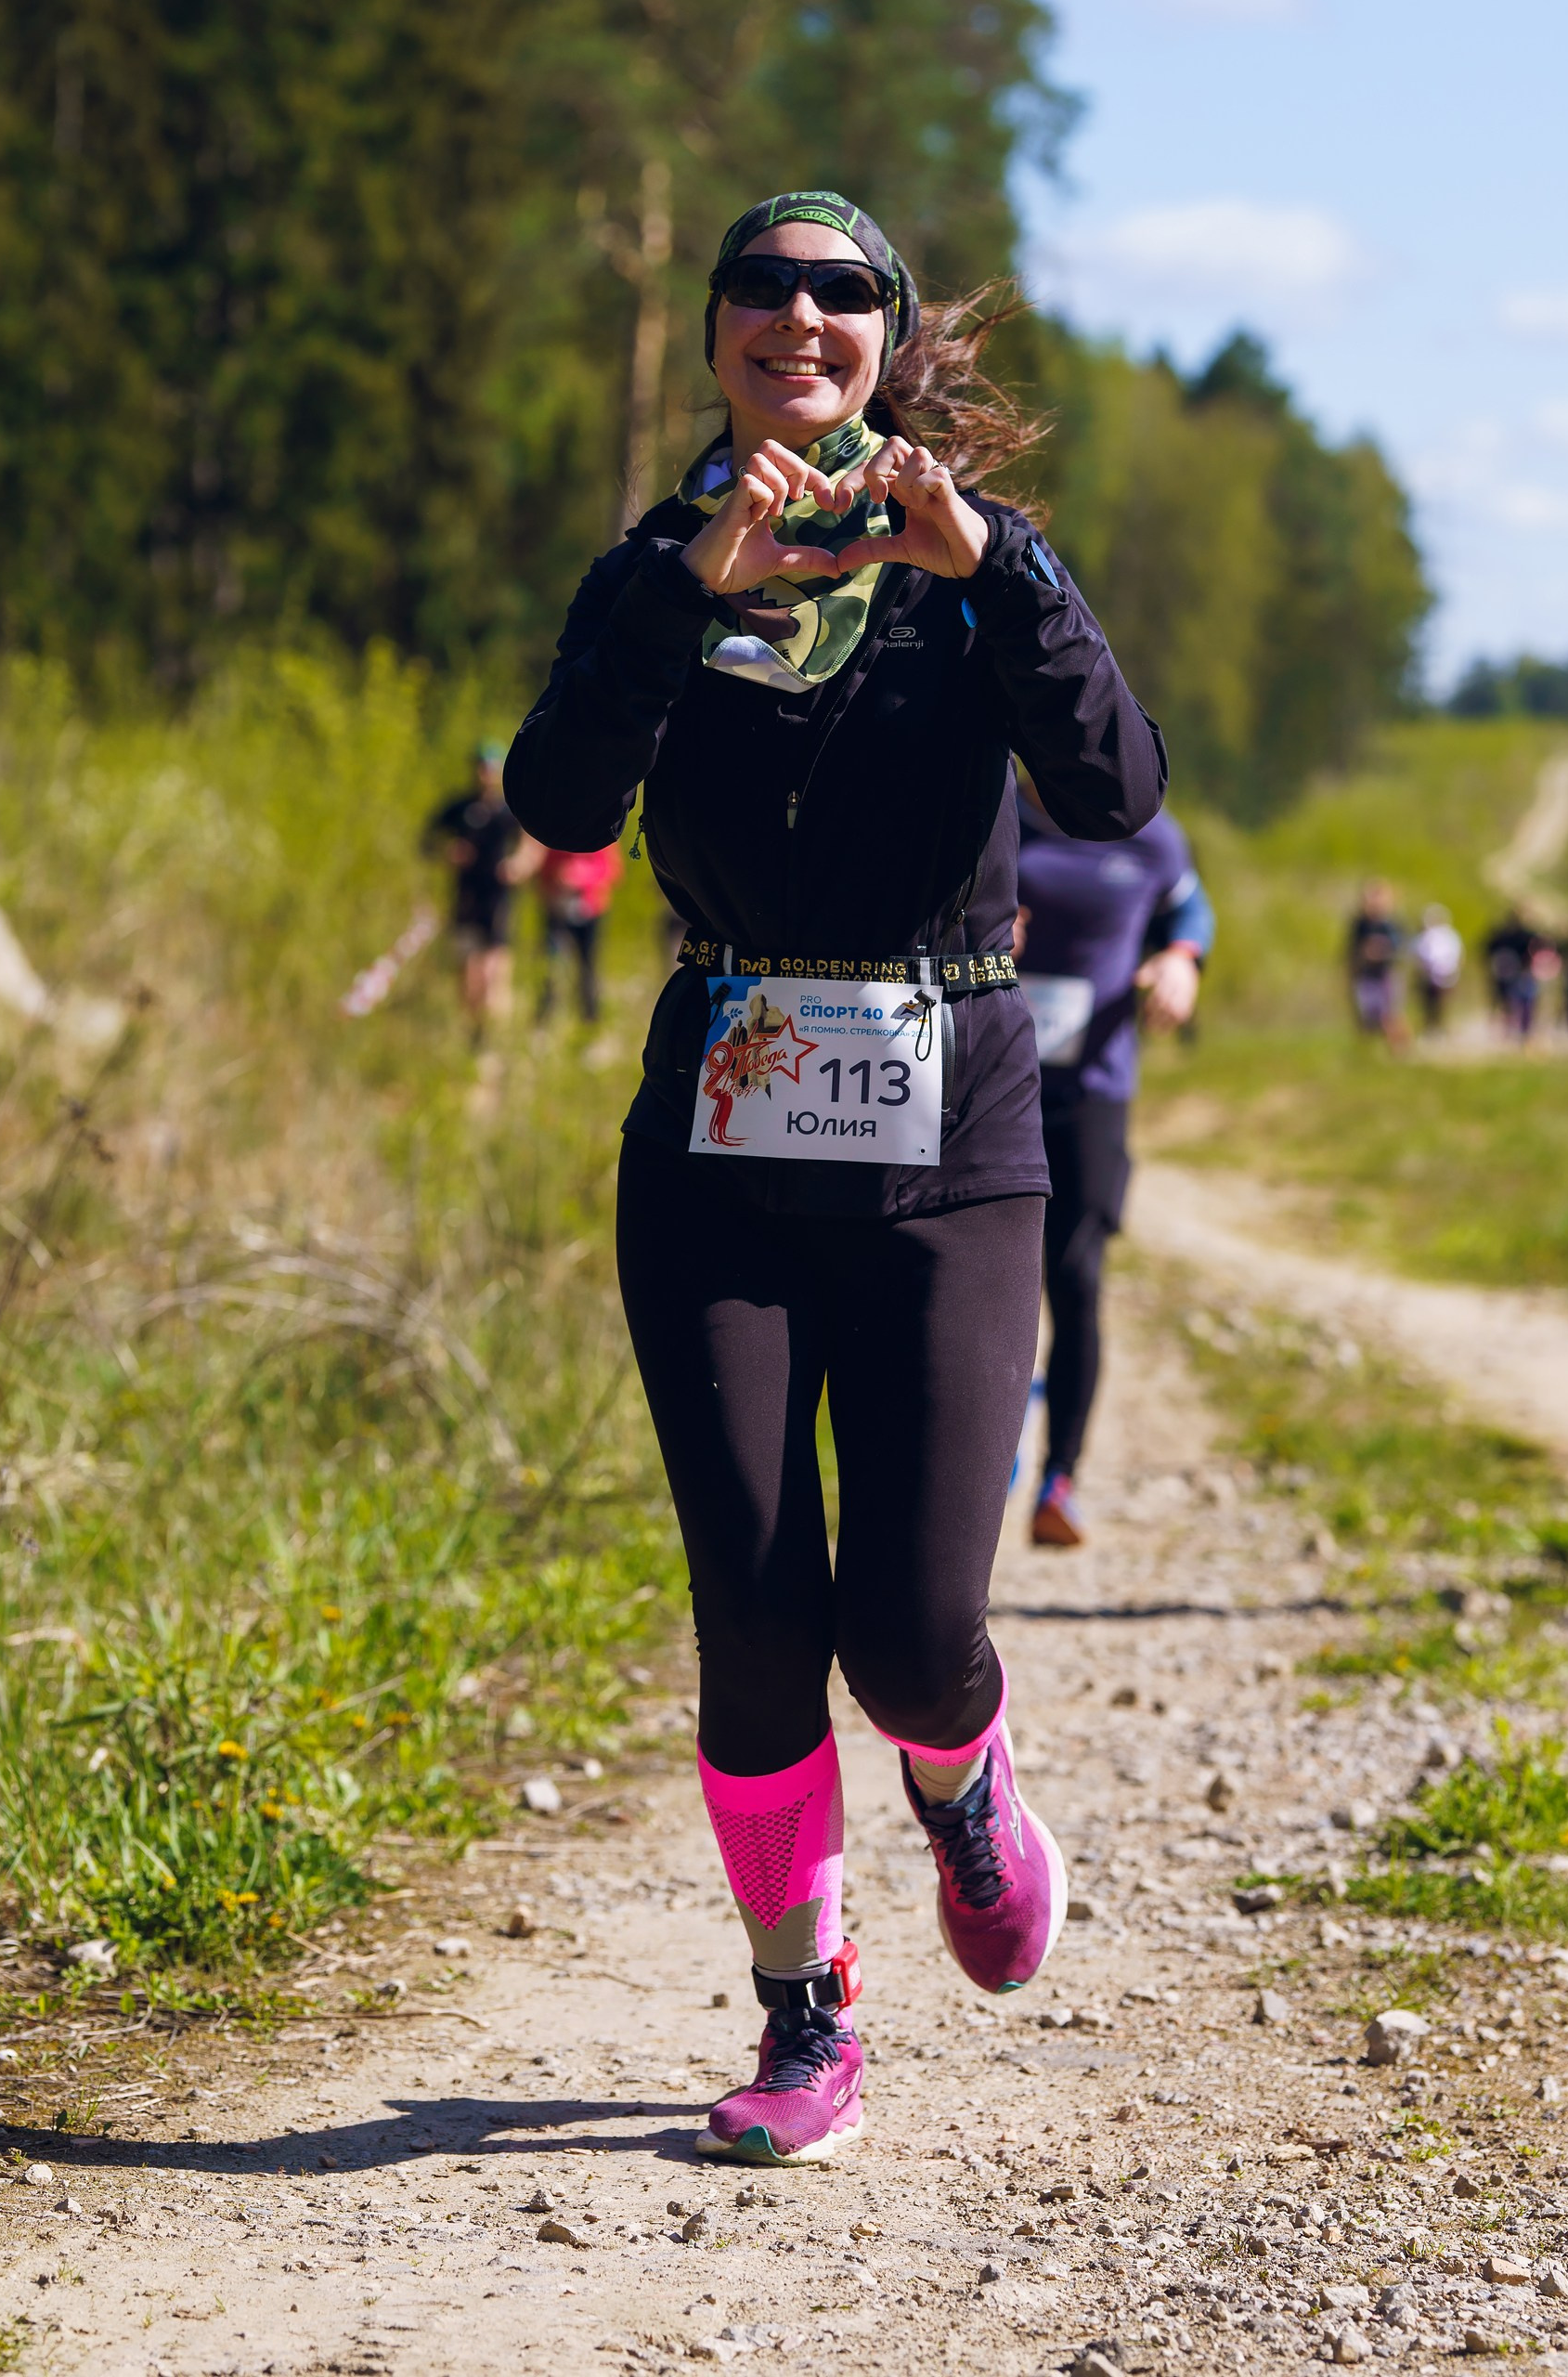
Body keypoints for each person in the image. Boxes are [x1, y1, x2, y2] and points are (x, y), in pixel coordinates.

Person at [504, 188, 1163, 2166]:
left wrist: (1006, 566)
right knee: (755, 1616)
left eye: (840, 290)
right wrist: (674, 602)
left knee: (903, 1628)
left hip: (951, 1142)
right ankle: (805, 2015)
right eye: (763, 289)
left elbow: (1115, 790)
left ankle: (965, 1789)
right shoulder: (662, 563)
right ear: (716, 332)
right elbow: (554, 803)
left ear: (887, 335)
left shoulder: (967, 571)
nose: (800, 316)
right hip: (711, 1141)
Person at [1013, 782, 1214, 1548]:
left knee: (1076, 1274)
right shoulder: (987, 799)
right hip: (981, 1081)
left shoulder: (1146, 828)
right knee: (976, 1277)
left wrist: (1182, 958)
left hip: (1091, 1088)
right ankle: (979, 1456)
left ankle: (1059, 1476)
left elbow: (1190, 906)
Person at [428, 744, 524, 1031]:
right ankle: (472, 1027)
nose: (485, 774)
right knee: (468, 966)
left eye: (491, 768)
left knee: (495, 965)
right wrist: (449, 851)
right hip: (466, 896)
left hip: (498, 897)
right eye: (482, 767)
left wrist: (518, 863)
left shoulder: (509, 810)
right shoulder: (460, 808)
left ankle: (494, 1030)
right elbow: (428, 841)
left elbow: (531, 843)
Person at [531, 841, 623, 1022]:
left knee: (588, 965)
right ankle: (547, 1013)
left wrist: (579, 876)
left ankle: (589, 1016)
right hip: (557, 911)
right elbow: (543, 872)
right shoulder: (555, 838)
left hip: (589, 909)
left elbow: (611, 870)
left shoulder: (601, 838)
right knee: (552, 963)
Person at [1346, 880, 1406, 1042]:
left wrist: (1381, 951)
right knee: (1366, 1017)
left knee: (1390, 1016)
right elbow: (1351, 948)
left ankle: (1400, 1050)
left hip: (1385, 973)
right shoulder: (1360, 924)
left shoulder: (1390, 924)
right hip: (1365, 974)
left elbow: (1400, 947)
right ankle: (1369, 1053)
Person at [1484, 908, 1543, 1042]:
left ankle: (1522, 1032)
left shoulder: (1524, 936)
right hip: (1509, 973)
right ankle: (1510, 1031)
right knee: (1509, 1003)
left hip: (1522, 973)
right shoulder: (1506, 937)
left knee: (1524, 1004)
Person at [1409, 903, 1463, 1034]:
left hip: (1446, 975)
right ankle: (1430, 1027)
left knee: (1442, 1004)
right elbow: (1416, 955)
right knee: (1428, 1004)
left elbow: (1457, 955)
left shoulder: (1449, 936)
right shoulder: (1423, 937)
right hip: (1427, 976)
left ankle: (1441, 1027)